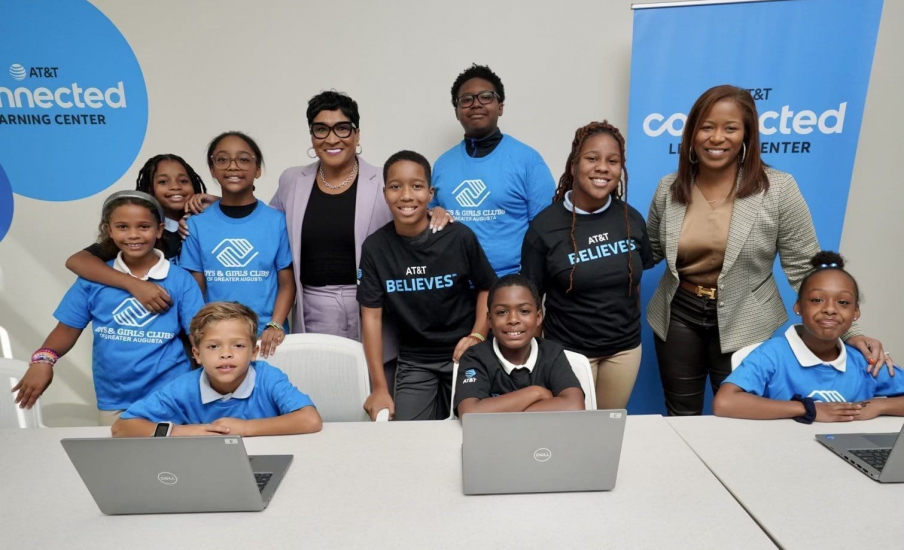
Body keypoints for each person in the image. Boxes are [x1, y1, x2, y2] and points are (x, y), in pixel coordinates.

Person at [647, 85, 892, 416]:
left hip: (746, 317)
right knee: (680, 413)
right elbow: (646, 251)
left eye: (730, 128)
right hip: (679, 315)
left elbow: (808, 270)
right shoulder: (669, 188)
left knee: (742, 416)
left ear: (746, 135)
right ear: (692, 134)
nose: (716, 137)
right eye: (707, 127)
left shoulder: (778, 189)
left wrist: (851, 333)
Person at [12, 191, 204, 425]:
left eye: (144, 227)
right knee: (118, 460)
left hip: (171, 396)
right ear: (109, 230)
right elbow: (67, 329)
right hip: (114, 399)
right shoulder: (92, 280)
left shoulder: (181, 280)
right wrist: (43, 361)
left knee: (172, 460)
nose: (133, 235)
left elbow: (199, 335)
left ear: (159, 229)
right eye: (122, 227)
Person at [521, 121, 653, 409]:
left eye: (612, 161)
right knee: (572, 434)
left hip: (624, 352)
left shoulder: (631, 219)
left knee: (608, 430)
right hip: (569, 352)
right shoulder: (545, 227)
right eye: (592, 158)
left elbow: (635, 282)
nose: (602, 167)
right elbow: (531, 300)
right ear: (574, 165)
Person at [357, 151, 497, 421]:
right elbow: (371, 318)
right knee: (410, 438)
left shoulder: (458, 237)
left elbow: (487, 287)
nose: (406, 195)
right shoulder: (375, 248)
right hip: (414, 361)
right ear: (385, 192)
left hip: (465, 354)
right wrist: (379, 388)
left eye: (417, 186)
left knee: (473, 427)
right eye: (396, 187)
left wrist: (478, 336)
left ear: (430, 193)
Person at [713, 252, 904, 422]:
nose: (830, 309)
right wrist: (809, 409)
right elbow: (725, 402)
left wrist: (879, 405)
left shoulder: (865, 361)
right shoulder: (772, 354)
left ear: (855, 312)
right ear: (798, 307)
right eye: (817, 300)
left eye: (843, 302)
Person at [112, 301, 322, 437]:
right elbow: (122, 427)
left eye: (238, 346)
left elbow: (310, 419)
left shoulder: (268, 377)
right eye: (213, 346)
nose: (226, 354)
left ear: (254, 352)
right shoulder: (183, 388)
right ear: (197, 355)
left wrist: (245, 428)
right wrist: (191, 432)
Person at [432, 64, 555, 276]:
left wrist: (531, 286)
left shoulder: (528, 160)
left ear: (500, 106)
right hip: (455, 287)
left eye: (486, 97)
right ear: (456, 111)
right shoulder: (442, 164)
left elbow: (547, 231)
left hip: (511, 285)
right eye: (466, 99)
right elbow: (430, 219)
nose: (476, 104)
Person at [180, 132, 295, 358]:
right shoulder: (197, 225)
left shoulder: (278, 221)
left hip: (267, 339)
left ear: (258, 169)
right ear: (213, 169)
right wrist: (201, 336)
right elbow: (194, 292)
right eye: (222, 159)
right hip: (217, 339)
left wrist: (276, 324)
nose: (233, 166)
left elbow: (287, 284)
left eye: (243, 159)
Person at [65, 154, 207, 314]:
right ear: (148, 190)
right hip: (156, 320)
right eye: (163, 182)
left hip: (201, 318)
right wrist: (133, 284)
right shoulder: (140, 234)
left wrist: (217, 202)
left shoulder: (207, 224)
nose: (175, 187)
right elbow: (76, 261)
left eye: (183, 181)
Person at [453, 274, 585, 416]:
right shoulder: (475, 357)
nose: (513, 320)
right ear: (489, 320)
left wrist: (499, 411)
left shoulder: (552, 352)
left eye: (524, 311)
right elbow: (470, 413)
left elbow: (574, 406)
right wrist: (536, 392)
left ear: (538, 317)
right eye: (502, 312)